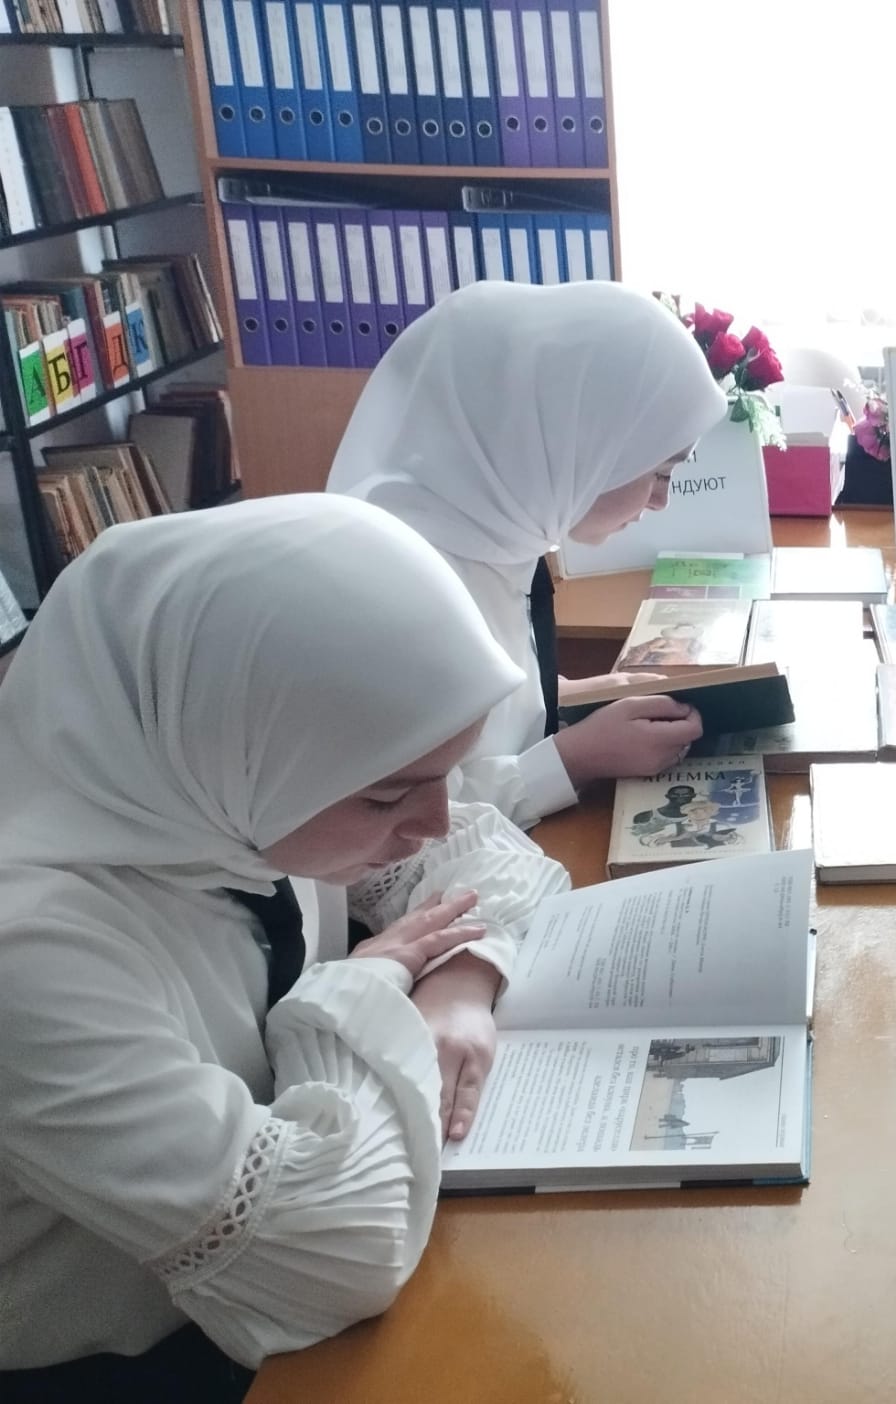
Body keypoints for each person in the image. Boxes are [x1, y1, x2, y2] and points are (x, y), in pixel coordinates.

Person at [0, 496, 572, 1399]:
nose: (433, 819)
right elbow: (338, 1256)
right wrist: (357, 993)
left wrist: (457, 984)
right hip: (135, 1367)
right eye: (388, 796)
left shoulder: (214, 807)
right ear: (228, 749)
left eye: (442, 776)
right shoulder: (31, 951)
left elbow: (489, 856)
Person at [326, 280, 731, 829]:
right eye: (658, 471)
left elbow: (478, 716)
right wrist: (575, 759)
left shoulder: (494, 525)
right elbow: (393, 831)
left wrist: (566, 697)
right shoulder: (400, 580)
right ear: (579, 442)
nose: (661, 501)